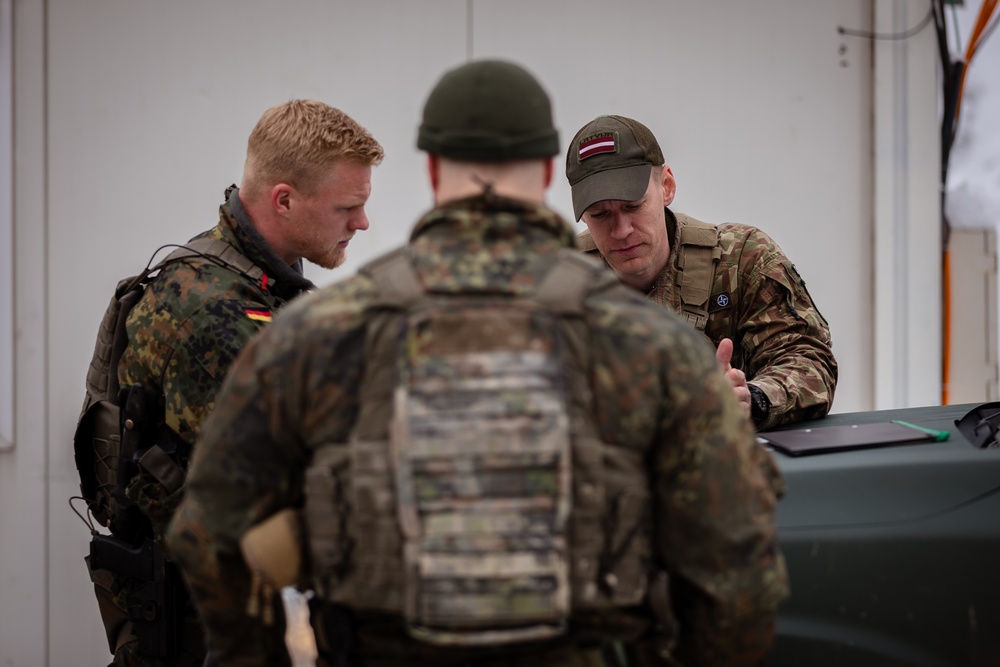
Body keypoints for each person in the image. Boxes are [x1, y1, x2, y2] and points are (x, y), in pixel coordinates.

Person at [165, 60, 788, 667]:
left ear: (434, 168)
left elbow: (208, 535)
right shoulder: (655, 345)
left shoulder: (313, 336)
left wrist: (262, 651)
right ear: (548, 170)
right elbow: (737, 574)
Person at [85, 99, 384, 666]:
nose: (362, 222)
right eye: (349, 206)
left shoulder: (264, 287)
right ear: (284, 200)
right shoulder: (211, 315)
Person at [565, 115, 837, 430]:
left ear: (666, 187)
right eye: (600, 214)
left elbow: (808, 362)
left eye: (633, 206)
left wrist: (753, 398)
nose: (621, 230)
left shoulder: (741, 260)